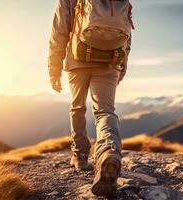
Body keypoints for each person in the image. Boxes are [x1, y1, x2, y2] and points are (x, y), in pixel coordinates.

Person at [48, 0, 132, 197]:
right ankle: (108, 152)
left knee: (77, 107)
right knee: (105, 111)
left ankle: (81, 156)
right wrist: (122, 66)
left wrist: (54, 70)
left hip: (77, 59)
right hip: (110, 61)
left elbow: (58, 32)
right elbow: (127, 33)